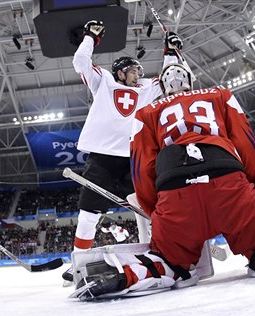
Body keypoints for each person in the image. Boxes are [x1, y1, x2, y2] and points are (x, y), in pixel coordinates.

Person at [69, 63, 255, 300]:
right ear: (190, 81)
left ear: (164, 87)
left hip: (176, 195)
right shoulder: (220, 95)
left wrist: (158, 210)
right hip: (228, 184)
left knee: (169, 262)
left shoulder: (146, 113)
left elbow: (143, 170)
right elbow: (246, 143)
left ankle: (130, 274)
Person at [63, 20, 181, 283]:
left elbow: (171, 78)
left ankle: (163, 247)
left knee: (151, 203)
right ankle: (79, 261)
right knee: (88, 212)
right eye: (132, 71)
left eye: (138, 71)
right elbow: (81, 62)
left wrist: (170, 52)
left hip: (133, 157)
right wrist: (90, 37)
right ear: (120, 72)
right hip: (102, 157)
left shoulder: (146, 90)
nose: (137, 75)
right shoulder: (103, 81)